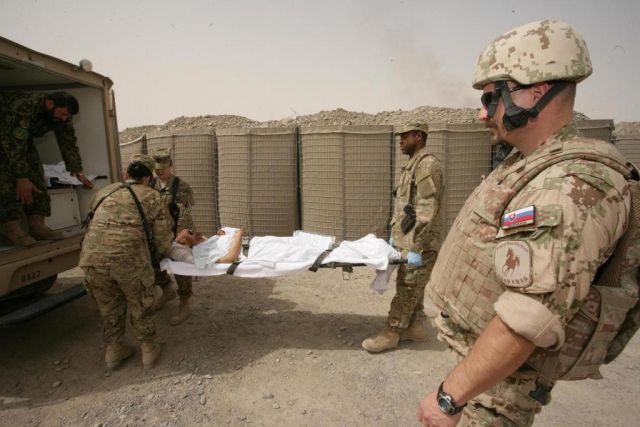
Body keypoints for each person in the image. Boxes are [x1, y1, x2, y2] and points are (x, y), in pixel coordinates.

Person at [418, 20, 634, 426]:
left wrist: (448, 398)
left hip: (497, 390)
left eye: (491, 98)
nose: (482, 113)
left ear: (533, 93)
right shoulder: (531, 163)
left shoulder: (568, 186)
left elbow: (526, 320)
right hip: (484, 369)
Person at [80, 154, 173, 370]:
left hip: (92, 259)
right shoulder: (152, 196)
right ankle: (148, 350)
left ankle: (113, 351)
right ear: (148, 178)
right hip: (128, 260)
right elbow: (162, 240)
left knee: (109, 307)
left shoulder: (103, 192)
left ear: (126, 174)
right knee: (140, 304)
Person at [362, 123, 443, 353]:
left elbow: (426, 212)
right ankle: (415, 327)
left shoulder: (427, 165)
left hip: (420, 244)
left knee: (408, 287)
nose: (400, 141)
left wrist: (416, 247)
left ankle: (392, 331)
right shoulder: (412, 166)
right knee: (413, 285)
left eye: (404, 137)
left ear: (418, 136)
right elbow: (405, 206)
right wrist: (395, 235)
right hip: (407, 240)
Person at [0, 91, 93, 246]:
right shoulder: (24, 107)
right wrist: (21, 177)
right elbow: (13, 146)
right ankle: (12, 228)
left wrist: (78, 170)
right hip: (6, 139)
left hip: (22, 141)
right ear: (50, 104)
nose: (64, 119)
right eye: (63, 114)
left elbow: (68, 140)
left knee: (36, 175)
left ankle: (37, 226)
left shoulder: (62, 116)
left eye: (67, 116)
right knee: (6, 180)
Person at [149, 147, 196, 325]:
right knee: (153, 264)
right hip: (158, 234)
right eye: (157, 168)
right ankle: (167, 290)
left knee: (180, 267)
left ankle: (185, 302)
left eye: (163, 167)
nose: (160, 171)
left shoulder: (181, 186)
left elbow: (184, 214)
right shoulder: (149, 185)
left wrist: (179, 239)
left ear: (171, 166)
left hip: (178, 232)